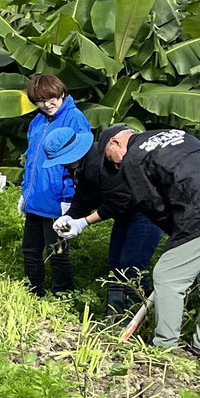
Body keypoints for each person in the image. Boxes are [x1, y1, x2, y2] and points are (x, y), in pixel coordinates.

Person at [58, 127, 200, 355]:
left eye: (109, 158)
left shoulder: (133, 159)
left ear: (115, 143)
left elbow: (153, 206)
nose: (114, 166)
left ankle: (164, 348)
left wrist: (178, 238)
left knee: (167, 276)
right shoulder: (175, 135)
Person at [62, 125, 168, 316]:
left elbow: (117, 202)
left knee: (132, 266)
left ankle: (138, 318)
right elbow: (84, 197)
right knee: (115, 265)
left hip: (145, 211)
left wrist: (84, 222)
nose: (64, 165)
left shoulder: (100, 162)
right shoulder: (79, 166)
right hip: (124, 214)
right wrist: (69, 216)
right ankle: (115, 317)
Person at [17, 75, 93, 297]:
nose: (47, 105)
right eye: (40, 101)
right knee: (30, 250)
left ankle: (63, 298)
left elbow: (79, 164)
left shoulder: (75, 119)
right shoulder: (37, 121)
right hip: (36, 199)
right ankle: (33, 293)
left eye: (51, 99)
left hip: (58, 200)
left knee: (57, 252)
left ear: (62, 93)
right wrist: (25, 193)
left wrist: (68, 200)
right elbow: (31, 159)